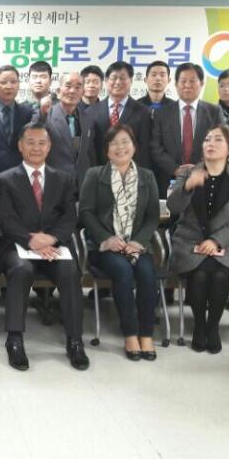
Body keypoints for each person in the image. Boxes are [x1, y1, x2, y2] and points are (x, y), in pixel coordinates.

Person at [0, 122, 88, 371]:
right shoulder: (5, 179)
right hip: (16, 245)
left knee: (70, 270)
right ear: (20, 146)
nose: (36, 148)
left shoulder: (64, 179)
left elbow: (69, 217)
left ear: (49, 147)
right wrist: (31, 240)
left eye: (41, 143)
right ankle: (15, 339)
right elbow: (6, 218)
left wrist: (52, 238)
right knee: (21, 269)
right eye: (31, 142)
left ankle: (75, 340)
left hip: (53, 246)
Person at [167, 124, 229, 354]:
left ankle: (212, 327)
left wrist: (216, 240)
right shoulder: (187, 173)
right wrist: (187, 186)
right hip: (189, 242)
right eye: (207, 140)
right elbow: (173, 207)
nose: (210, 144)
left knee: (219, 276)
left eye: (217, 140)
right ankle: (199, 325)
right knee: (200, 274)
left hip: (226, 245)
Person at [79, 124, 160, 361]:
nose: (120, 147)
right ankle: (130, 334)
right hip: (105, 247)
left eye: (125, 142)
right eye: (114, 143)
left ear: (134, 147)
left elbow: (152, 216)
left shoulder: (147, 176)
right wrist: (106, 238)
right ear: (107, 150)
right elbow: (86, 212)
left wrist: (138, 241)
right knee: (122, 270)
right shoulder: (95, 175)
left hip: (136, 245)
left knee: (147, 273)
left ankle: (146, 334)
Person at [149, 62, 225, 194]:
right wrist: (176, 169)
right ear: (176, 84)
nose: (187, 85)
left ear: (202, 83)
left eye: (192, 81)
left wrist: (200, 168)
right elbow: (155, 147)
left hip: (205, 178)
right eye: (183, 81)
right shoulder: (162, 113)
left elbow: (221, 144)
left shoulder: (214, 112)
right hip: (169, 179)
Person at [88, 61, 153, 170]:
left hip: (130, 173)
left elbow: (144, 149)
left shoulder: (144, 112)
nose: (118, 82)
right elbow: (89, 149)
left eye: (123, 78)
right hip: (99, 172)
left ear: (131, 81)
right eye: (114, 78)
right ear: (106, 80)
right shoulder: (91, 111)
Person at [32, 71, 95, 182]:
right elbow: (32, 138)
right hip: (53, 181)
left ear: (82, 92)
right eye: (68, 86)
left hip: (81, 182)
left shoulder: (87, 119)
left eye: (78, 87)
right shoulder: (45, 115)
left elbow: (89, 153)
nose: (72, 91)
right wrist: (42, 115)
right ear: (58, 91)